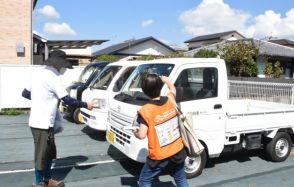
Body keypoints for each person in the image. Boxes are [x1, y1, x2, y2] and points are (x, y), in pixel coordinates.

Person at [22, 50, 93, 187]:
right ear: (57, 64)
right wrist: (86, 105)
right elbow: (66, 99)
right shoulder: (53, 77)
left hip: (40, 122)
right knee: (42, 155)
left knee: (48, 154)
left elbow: (25, 93)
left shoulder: (38, 73)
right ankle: (38, 183)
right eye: (62, 65)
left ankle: (48, 181)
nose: (63, 68)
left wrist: (39, 101)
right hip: (42, 123)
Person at [133, 74, 189, 187]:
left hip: (159, 155)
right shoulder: (170, 100)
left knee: (144, 181)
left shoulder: (146, 110)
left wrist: (135, 133)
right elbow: (173, 89)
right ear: (160, 87)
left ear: (144, 91)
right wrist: (166, 80)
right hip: (177, 149)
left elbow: (142, 135)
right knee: (181, 179)